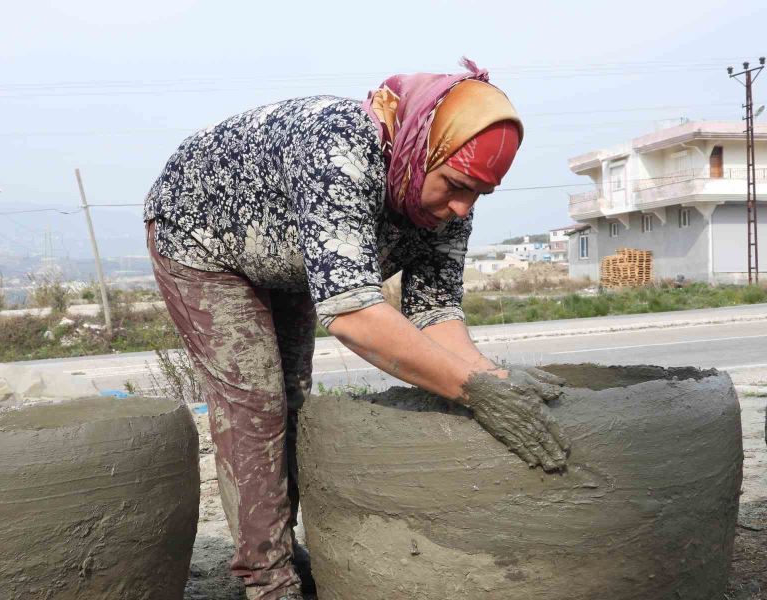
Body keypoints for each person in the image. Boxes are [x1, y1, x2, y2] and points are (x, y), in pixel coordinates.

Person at [143, 58, 570, 600]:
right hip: (201, 230)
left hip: (285, 253)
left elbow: (435, 315)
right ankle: (267, 579)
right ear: (423, 152)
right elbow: (353, 315)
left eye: (480, 194)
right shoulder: (343, 150)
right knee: (255, 401)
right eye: (457, 186)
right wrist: (473, 391)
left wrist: (492, 377)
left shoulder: (449, 202)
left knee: (293, 397)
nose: (463, 207)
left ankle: (280, 548)